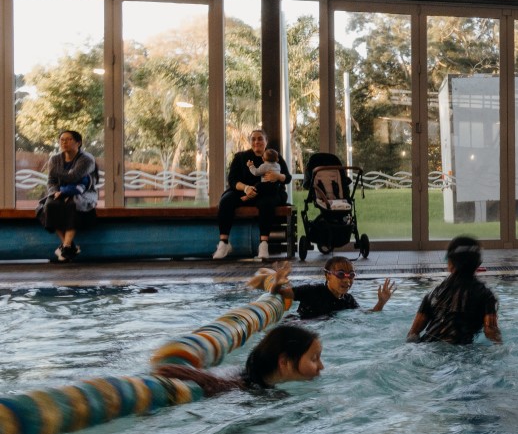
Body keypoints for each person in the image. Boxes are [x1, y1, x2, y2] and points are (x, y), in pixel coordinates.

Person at [152, 323, 324, 397]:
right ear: (284, 362)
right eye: (314, 358)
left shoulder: (239, 374)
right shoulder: (270, 396)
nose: (321, 366)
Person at [407, 235, 501, 344]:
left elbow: (413, 334)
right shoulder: (485, 295)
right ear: (477, 264)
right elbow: (490, 332)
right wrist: (500, 346)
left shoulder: (433, 294)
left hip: (427, 348)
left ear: (451, 264)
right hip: (462, 354)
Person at [214, 129, 291, 261]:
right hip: (244, 191)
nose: (257, 142)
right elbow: (232, 180)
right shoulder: (240, 157)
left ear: (266, 141)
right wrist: (246, 188)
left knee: (266, 203)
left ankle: (263, 245)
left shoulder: (274, 157)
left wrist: (278, 176)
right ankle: (224, 243)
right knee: (226, 200)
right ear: (250, 142)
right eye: (253, 139)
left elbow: (288, 178)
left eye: (260, 138)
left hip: (268, 192)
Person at [248, 258, 395, 319]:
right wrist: (278, 283)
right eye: (340, 274)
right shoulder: (311, 291)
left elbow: (365, 316)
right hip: (300, 325)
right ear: (327, 276)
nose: (347, 279)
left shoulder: (348, 300)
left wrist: (381, 302)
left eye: (351, 275)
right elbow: (277, 293)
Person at [37, 129, 100, 262]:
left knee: (73, 204)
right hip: (59, 192)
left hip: (83, 192)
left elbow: (74, 177)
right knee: (49, 206)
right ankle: (68, 247)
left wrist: (54, 173)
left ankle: (66, 245)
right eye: (62, 140)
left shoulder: (87, 159)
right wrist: (55, 192)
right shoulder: (54, 159)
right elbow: (51, 181)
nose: (64, 142)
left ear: (78, 142)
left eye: (69, 139)